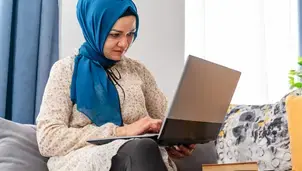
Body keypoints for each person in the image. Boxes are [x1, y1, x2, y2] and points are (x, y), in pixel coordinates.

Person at [36, 0, 196, 170]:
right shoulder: (65, 70)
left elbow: (163, 124)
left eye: (130, 34)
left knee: (144, 148)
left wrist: (175, 143)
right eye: (115, 34)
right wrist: (120, 132)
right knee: (141, 148)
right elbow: (48, 139)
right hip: (84, 159)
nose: (124, 44)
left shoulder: (138, 70)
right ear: (94, 28)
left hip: (141, 157)